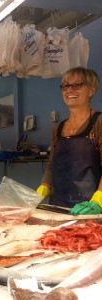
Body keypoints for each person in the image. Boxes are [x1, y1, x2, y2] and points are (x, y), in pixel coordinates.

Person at [37, 67, 102, 215]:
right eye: (66, 85)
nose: (70, 90)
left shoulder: (99, 122)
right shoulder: (57, 129)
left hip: (91, 208)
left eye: (77, 85)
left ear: (91, 90)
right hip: (58, 207)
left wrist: (99, 199)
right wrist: (44, 187)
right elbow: (51, 166)